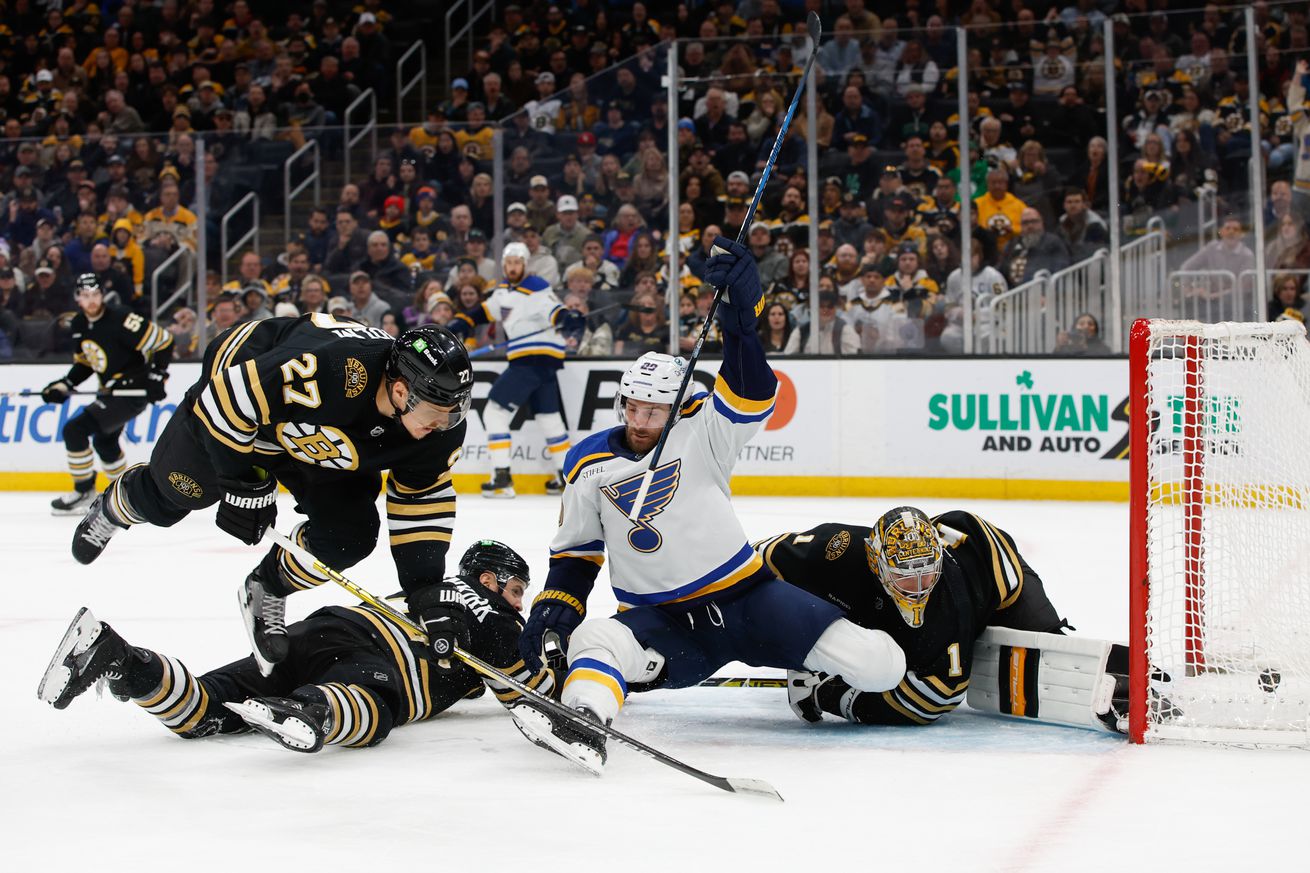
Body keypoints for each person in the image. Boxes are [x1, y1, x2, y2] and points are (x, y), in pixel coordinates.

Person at [509, 239, 907, 772]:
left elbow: (751, 387)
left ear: (676, 406)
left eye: (654, 411)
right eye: (633, 407)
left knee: (881, 665)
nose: (641, 421)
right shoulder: (587, 463)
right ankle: (584, 722)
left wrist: (742, 319)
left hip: (752, 602)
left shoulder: (703, 429)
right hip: (663, 624)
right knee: (595, 637)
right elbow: (578, 551)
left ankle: (814, 682)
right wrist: (558, 605)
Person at [68, 320, 475, 680]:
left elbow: (421, 498)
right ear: (401, 390)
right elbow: (224, 401)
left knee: (347, 536)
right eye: (438, 414)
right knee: (170, 497)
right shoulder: (329, 368)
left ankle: (266, 587)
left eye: (455, 413)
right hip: (240, 413)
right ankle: (115, 505)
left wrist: (425, 590)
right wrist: (243, 483)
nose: (446, 425)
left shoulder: (438, 424)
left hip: (319, 442)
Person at [39, 541, 554, 753]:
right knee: (378, 709)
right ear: (490, 579)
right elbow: (524, 693)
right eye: (516, 590)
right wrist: (552, 663)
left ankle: (122, 661)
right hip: (376, 660)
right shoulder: (497, 618)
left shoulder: (426, 587)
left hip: (323, 630)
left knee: (203, 712)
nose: (520, 603)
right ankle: (311, 708)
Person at [757, 506, 1072, 726]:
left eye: (927, 574)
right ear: (876, 562)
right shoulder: (839, 549)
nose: (920, 588)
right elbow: (758, 556)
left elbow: (937, 700)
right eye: (906, 576)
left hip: (996, 566)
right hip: (902, 607)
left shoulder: (949, 604)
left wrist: (828, 694)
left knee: (1042, 633)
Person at [451, 242, 584, 499]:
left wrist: (568, 320)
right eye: (509, 263)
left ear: (525, 264)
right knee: (549, 418)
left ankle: (501, 478)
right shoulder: (504, 291)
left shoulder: (536, 288)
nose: (513, 267)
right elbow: (486, 311)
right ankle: (566, 478)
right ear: (504, 265)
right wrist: (464, 321)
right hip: (541, 364)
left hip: (532, 359)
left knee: (494, 412)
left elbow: (555, 311)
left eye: (517, 262)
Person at [41, 274, 173, 516]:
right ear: (77, 298)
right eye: (85, 296)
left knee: (75, 429)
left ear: (102, 295)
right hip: (111, 392)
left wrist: (157, 376)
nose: (91, 301)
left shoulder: (121, 318)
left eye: (95, 295)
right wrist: (64, 383)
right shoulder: (79, 325)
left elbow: (164, 341)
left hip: (131, 391)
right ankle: (123, 493)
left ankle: (84, 490)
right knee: (105, 441)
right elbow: (86, 363)